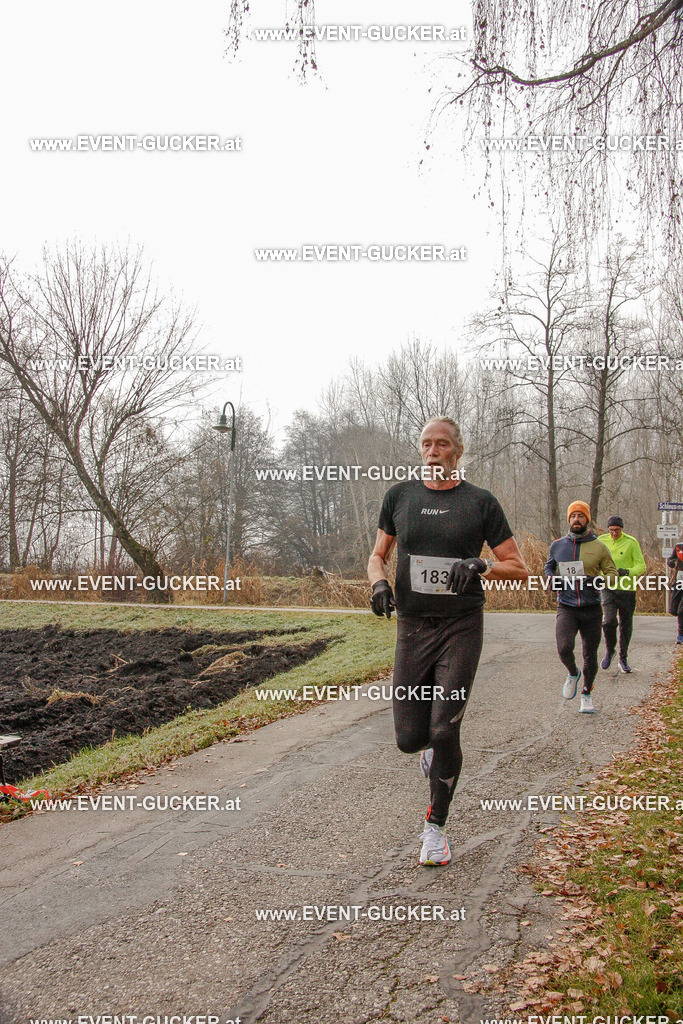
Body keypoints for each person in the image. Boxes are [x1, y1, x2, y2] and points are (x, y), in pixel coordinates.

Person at [367, 417, 529, 866]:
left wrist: (479, 565)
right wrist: (379, 584)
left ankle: (435, 828)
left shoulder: (480, 502)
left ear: (458, 451)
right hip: (413, 627)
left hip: (461, 627)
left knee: (444, 728)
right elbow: (377, 556)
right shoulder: (400, 496)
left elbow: (518, 567)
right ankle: (434, 755)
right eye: (426, 444)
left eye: (442, 444)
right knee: (408, 738)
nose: (433, 451)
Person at [544, 502, 618, 714]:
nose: (576, 519)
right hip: (566, 605)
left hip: (591, 608)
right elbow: (549, 566)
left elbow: (611, 573)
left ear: (587, 520)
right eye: (573, 515)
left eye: (581, 516)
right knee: (564, 648)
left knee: (590, 655)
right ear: (569, 519)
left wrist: (599, 581)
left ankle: (586, 693)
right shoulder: (558, 545)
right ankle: (573, 673)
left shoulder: (599, 547)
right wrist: (551, 579)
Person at [597, 515, 647, 673]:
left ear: (622, 529)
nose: (614, 534)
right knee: (608, 621)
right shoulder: (601, 541)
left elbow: (641, 566)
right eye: (611, 530)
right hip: (608, 588)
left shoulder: (631, 542)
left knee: (626, 625)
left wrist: (627, 572)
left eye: (617, 530)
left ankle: (623, 658)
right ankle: (610, 650)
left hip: (627, 590)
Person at [667, 542, 683, 644]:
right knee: (674, 609)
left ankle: (680, 634)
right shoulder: (679, 547)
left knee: (681, 610)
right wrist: (671, 562)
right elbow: (670, 559)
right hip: (679, 582)